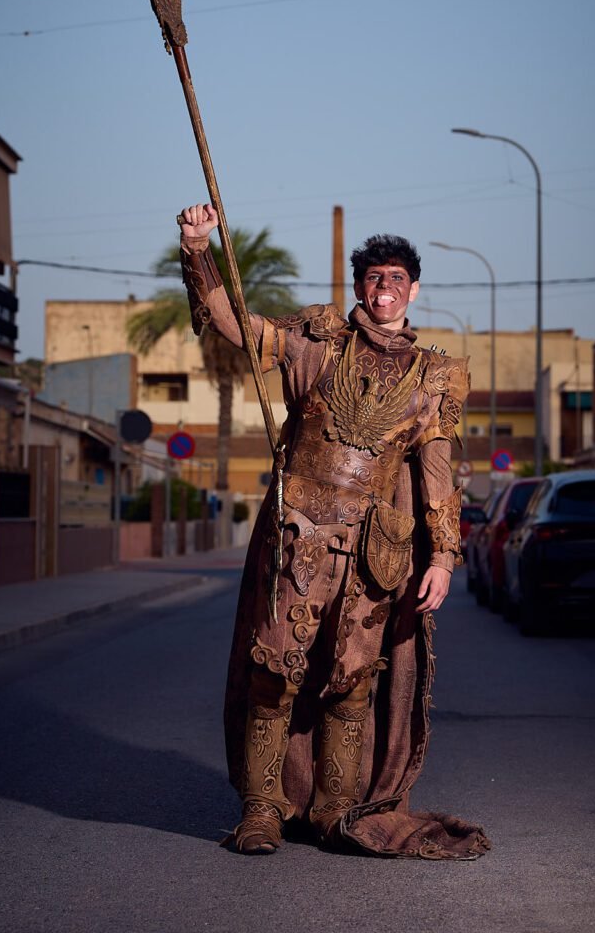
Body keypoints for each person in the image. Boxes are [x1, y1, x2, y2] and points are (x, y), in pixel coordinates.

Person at [179, 202, 490, 859]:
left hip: (375, 551)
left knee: (351, 681)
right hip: (298, 537)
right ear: (359, 287)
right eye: (374, 279)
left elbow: (437, 475)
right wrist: (198, 247)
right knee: (275, 670)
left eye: (396, 280)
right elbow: (234, 326)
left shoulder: (435, 375)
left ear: (413, 289)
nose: (384, 291)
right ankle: (262, 809)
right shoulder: (314, 341)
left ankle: (335, 809)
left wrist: (441, 558)